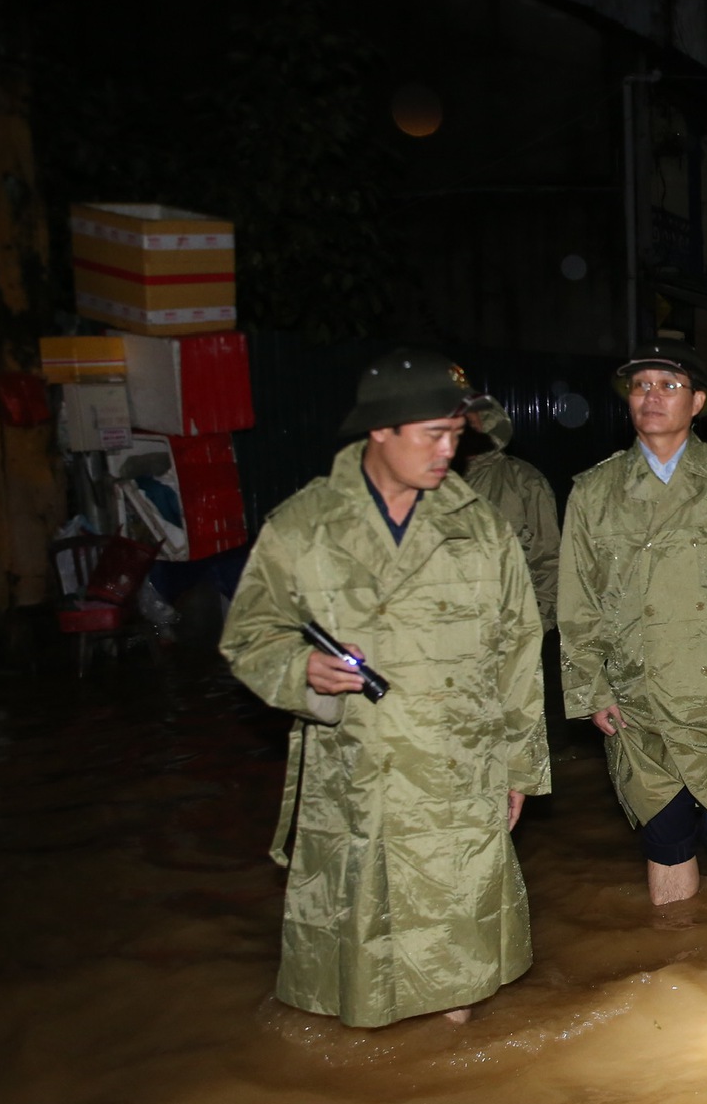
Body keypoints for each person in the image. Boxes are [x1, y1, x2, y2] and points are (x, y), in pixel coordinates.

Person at [219, 349, 550, 1028]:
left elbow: (519, 650)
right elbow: (248, 636)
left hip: (460, 771)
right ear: (379, 431)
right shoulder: (303, 526)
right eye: (434, 433)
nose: (449, 450)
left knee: (458, 970)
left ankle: (452, 1088)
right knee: (365, 973)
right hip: (356, 777)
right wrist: (298, 671)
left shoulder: (479, 527)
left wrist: (520, 766)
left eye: (457, 435)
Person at [559, 342, 707, 906]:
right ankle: (678, 966)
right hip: (638, 700)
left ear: (698, 403)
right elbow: (577, 603)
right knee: (665, 846)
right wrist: (590, 688)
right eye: (641, 385)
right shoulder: (595, 492)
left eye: (668, 386)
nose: (651, 397)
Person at [459, 404, 561, 636]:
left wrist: (534, 626)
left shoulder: (523, 481)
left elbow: (549, 560)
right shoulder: (428, 481)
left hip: (507, 631)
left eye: (468, 421)